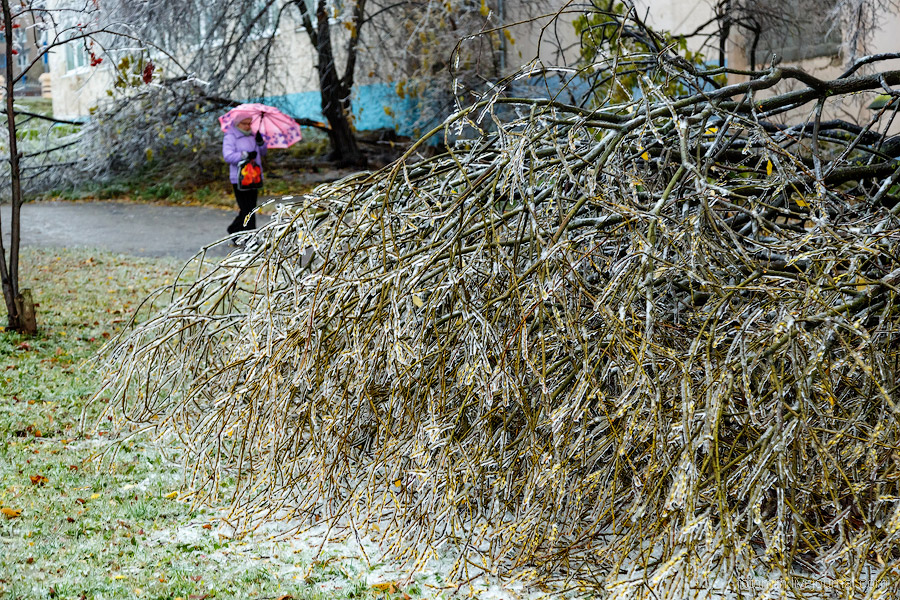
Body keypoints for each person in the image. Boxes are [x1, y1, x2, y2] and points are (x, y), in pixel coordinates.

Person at [222, 113, 267, 234]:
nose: (248, 126)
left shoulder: (253, 135)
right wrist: (245, 155)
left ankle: (235, 230)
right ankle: (250, 237)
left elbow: (263, 153)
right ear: (237, 123)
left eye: (249, 123)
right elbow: (228, 156)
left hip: (255, 177)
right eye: (244, 123)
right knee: (247, 210)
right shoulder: (231, 136)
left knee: (250, 209)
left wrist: (261, 143)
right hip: (240, 179)